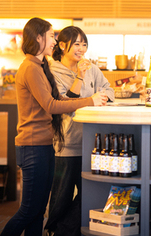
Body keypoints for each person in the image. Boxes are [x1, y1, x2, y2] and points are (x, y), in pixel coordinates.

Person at [0, 18, 108, 236]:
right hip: (32, 146)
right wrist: (90, 100)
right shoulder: (30, 68)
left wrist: (91, 99)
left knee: (38, 212)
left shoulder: (40, 67)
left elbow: (61, 99)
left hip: (44, 145)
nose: (54, 41)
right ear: (38, 37)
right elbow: (51, 105)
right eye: (51, 36)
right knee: (29, 210)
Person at [45, 26, 115, 236]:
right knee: (61, 197)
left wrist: (101, 97)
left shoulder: (92, 68)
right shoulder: (52, 72)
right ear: (63, 45)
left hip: (91, 143)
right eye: (77, 44)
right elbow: (64, 103)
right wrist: (80, 77)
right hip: (67, 143)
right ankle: (52, 229)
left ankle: (63, 231)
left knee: (91, 194)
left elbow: (109, 89)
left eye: (84, 44)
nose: (81, 49)